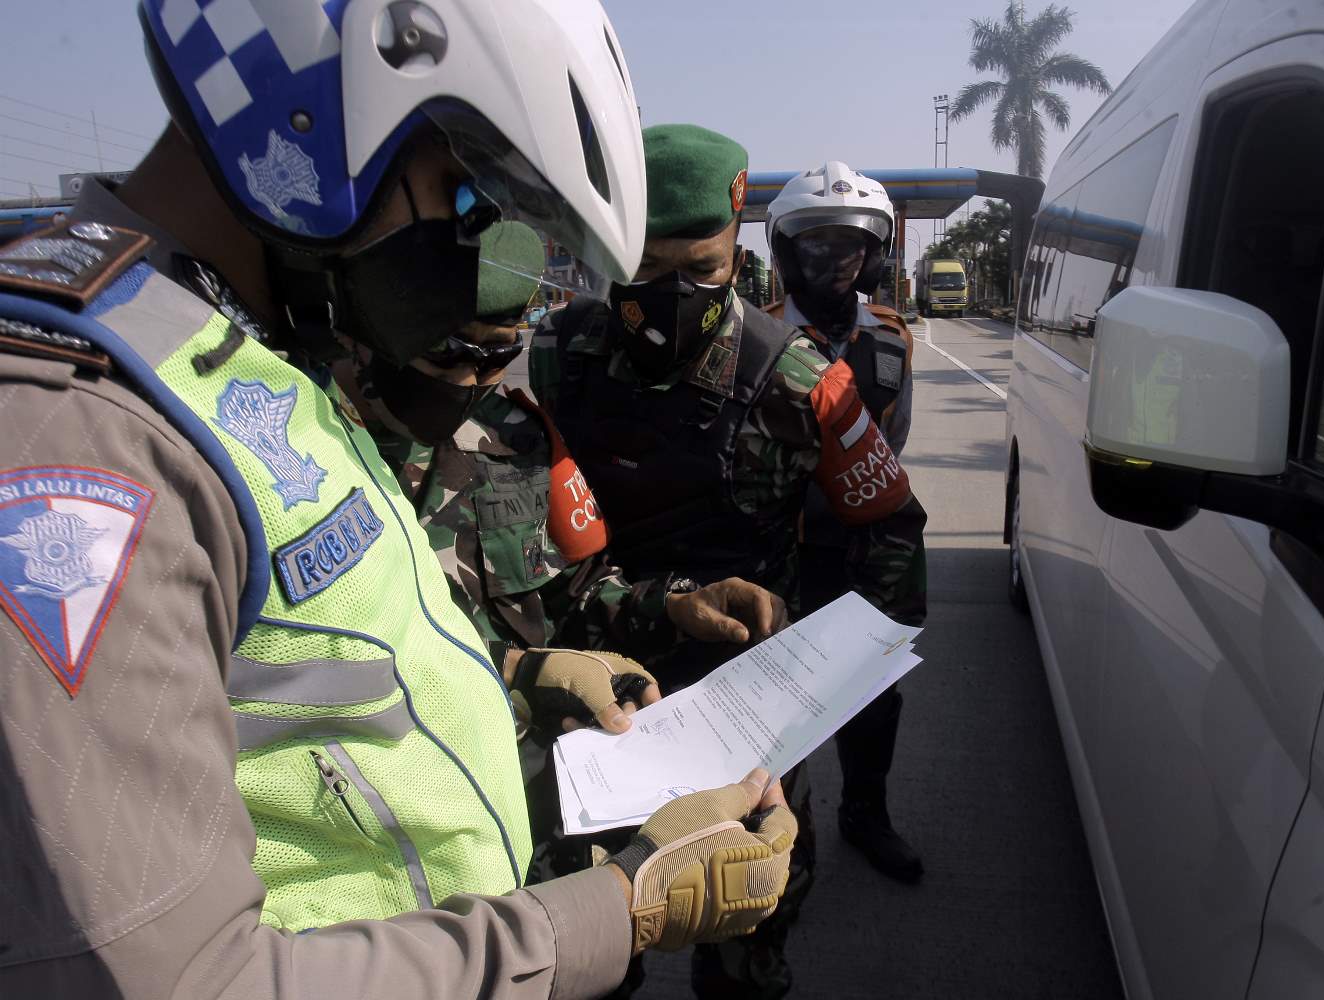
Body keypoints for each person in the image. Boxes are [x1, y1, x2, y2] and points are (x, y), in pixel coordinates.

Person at [0, 3, 795, 997]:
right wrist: (623, 905)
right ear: (309, 119)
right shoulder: (81, 440)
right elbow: (178, 980)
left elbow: (286, 675)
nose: (489, 279)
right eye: (473, 203)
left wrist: (520, 671)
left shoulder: (247, 353)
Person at [530, 124, 927, 1000]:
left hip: (746, 712)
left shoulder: (804, 380)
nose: (672, 296)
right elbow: (534, 552)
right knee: (589, 952)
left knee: (750, 930)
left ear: (739, 247)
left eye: (702, 270)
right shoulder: (563, 358)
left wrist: (842, 673)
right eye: (646, 268)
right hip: (603, 698)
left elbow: (891, 527)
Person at [335, 218, 789, 891]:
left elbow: (578, 594)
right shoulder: (303, 450)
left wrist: (673, 604)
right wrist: (519, 669)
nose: (470, 380)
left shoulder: (515, 439)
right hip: (396, 847)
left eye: (496, 355)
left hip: (551, 830)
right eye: (449, 351)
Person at [764, 162, 924, 884]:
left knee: (872, 699)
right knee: (777, 708)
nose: (834, 260)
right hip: (780, 554)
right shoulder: (753, 339)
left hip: (861, 556)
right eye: (816, 244)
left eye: (851, 244)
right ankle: (780, 837)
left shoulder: (891, 344)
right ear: (786, 253)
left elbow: (893, 445)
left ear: (875, 257)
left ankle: (866, 812)